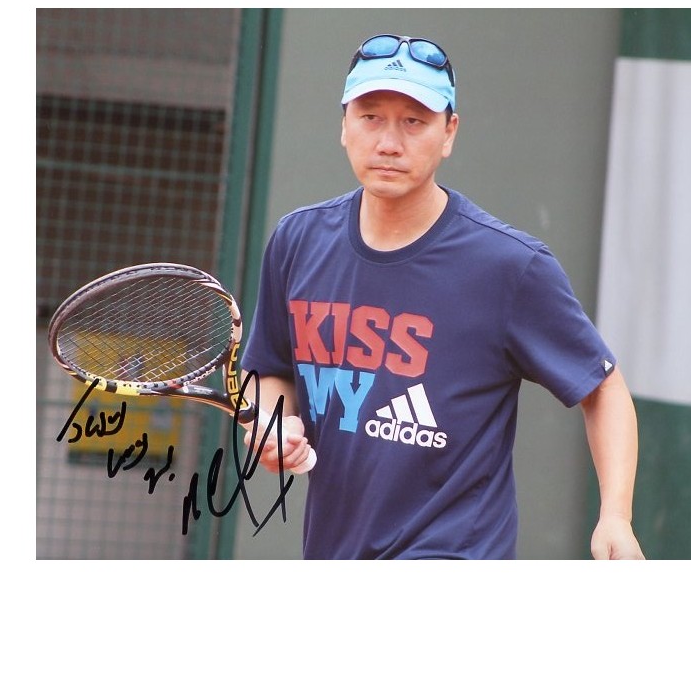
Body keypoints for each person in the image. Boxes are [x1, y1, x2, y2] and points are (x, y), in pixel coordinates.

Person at [239, 33, 645, 560]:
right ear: (343, 125)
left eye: (414, 122)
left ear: (449, 132)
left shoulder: (509, 265)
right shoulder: (297, 241)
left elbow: (603, 387)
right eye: (370, 117)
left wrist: (615, 516)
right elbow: (270, 370)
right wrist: (270, 426)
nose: (389, 142)